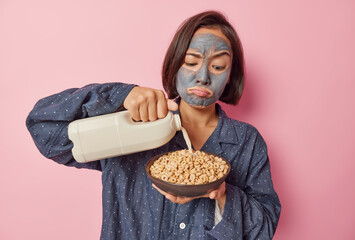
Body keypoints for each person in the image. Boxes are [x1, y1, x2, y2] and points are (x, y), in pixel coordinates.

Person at [26, 11, 281, 240]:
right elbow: (43, 128)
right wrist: (118, 96)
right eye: (191, 62)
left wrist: (222, 193)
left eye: (218, 66)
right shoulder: (129, 125)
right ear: (173, 66)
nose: (203, 76)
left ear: (230, 76)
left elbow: (265, 228)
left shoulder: (246, 141)